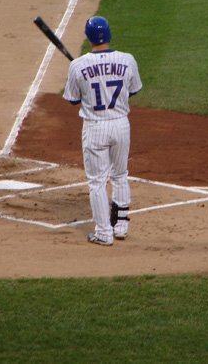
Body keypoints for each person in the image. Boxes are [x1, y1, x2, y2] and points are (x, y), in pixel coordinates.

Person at [63, 16, 143, 246]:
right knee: (120, 174)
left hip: (96, 127)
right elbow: (133, 91)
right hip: (120, 124)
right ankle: (120, 227)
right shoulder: (127, 60)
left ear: (88, 38)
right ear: (108, 35)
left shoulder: (77, 65)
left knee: (97, 181)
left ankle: (103, 233)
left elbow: (72, 99)